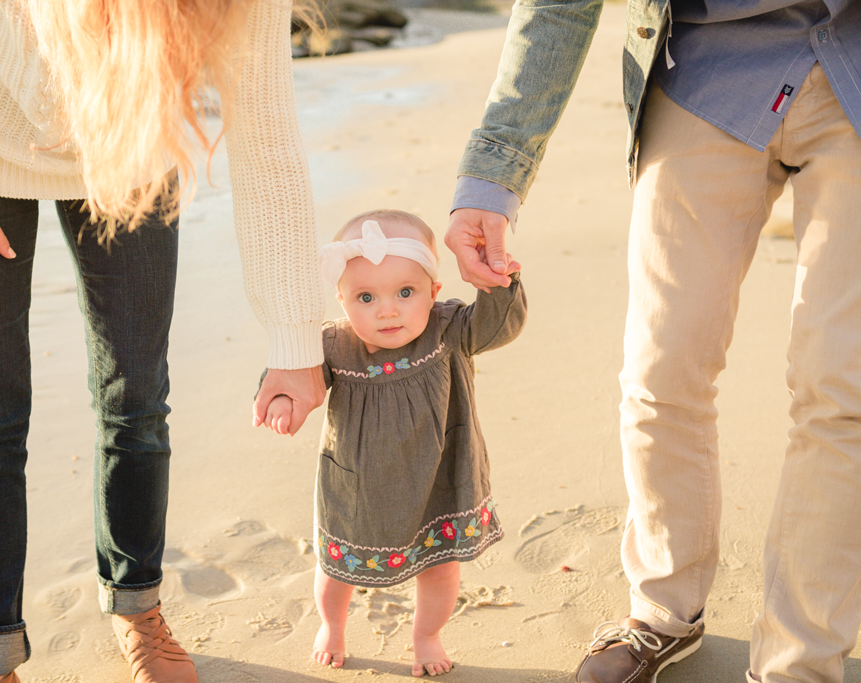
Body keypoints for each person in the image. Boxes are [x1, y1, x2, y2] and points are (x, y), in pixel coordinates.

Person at [0, 0, 327, 682]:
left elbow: (268, 140)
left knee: (136, 395)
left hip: (131, 142)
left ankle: (136, 607)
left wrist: (294, 340)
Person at [446, 1, 861, 682]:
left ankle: (801, 662)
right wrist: (494, 175)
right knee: (661, 369)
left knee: (842, 390)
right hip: (707, 69)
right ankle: (664, 609)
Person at [259, 209, 527, 676]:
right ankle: (332, 626)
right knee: (338, 565)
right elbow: (297, 375)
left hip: (441, 479)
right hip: (360, 486)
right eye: (366, 297)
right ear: (342, 301)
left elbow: (498, 325)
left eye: (406, 292)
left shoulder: (449, 331)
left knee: (440, 566)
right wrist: (285, 400)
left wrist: (497, 279)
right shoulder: (334, 347)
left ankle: (426, 635)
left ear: (433, 292)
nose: (387, 309)